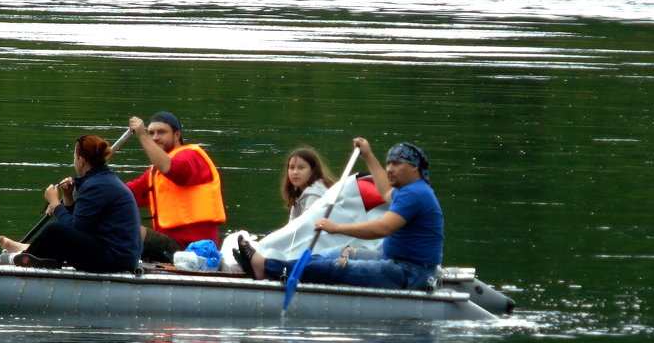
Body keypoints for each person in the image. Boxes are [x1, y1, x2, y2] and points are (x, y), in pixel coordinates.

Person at [234, 138, 443, 290]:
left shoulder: (415, 194)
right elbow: (384, 191)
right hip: (393, 260)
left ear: (415, 168)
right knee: (334, 254)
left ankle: (267, 267)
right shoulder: (407, 191)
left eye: (396, 164)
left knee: (337, 266)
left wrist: (337, 228)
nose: (389, 169)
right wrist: (368, 155)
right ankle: (273, 265)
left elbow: (383, 228)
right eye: (388, 163)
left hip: (411, 273)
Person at [0, 134, 142, 272]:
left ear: (81, 159)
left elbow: (75, 228)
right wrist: (67, 196)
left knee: (54, 230)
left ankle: (23, 257)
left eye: (74, 156)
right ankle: (32, 255)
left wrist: (55, 203)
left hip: (115, 258)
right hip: (119, 255)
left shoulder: (96, 186)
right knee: (57, 231)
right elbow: (83, 224)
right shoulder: (102, 180)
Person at [124, 111, 226, 262]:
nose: (155, 137)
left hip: (194, 249)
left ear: (177, 135)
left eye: (161, 132)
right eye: (151, 133)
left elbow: (170, 168)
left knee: (125, 230)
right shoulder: (155, 171)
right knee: (112, 222)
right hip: (170, 245)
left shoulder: (191, 156)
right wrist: (90, 183)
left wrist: (143, 136)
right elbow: (125, 194)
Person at [282, 147, 335, 222]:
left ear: (313, 170)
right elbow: (292, 223)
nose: (295, 172)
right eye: (291, 168)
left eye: (301, 168)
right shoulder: (298, 192)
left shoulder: (315, 194)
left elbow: (307, 225)